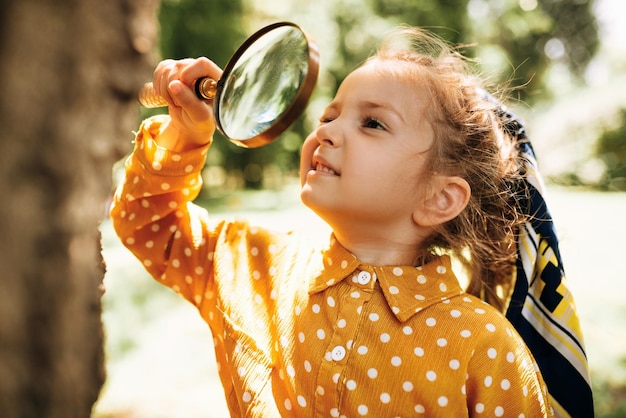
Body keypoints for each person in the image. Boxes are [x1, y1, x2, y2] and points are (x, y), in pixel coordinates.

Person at [110, 27, 555, 417]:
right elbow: (151, 224)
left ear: (439, 198)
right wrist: (184, 134)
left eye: (373, 123)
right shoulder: (257, 265)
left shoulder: (485, 348)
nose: (326, 131)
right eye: (329, 116)